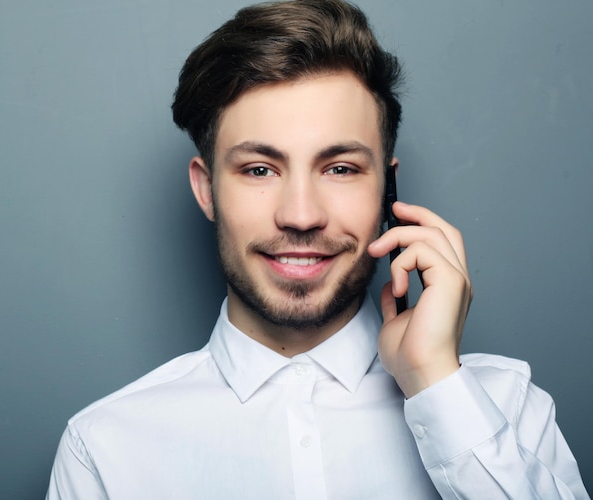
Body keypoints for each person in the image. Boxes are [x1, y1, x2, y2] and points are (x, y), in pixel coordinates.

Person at [46, 0, 589, 498]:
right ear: (207, 190)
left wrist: (436, 385)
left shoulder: (504, 409)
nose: (301, 215)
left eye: (340, 169)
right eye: (259, 169)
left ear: (386, 191)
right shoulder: (105, 450)